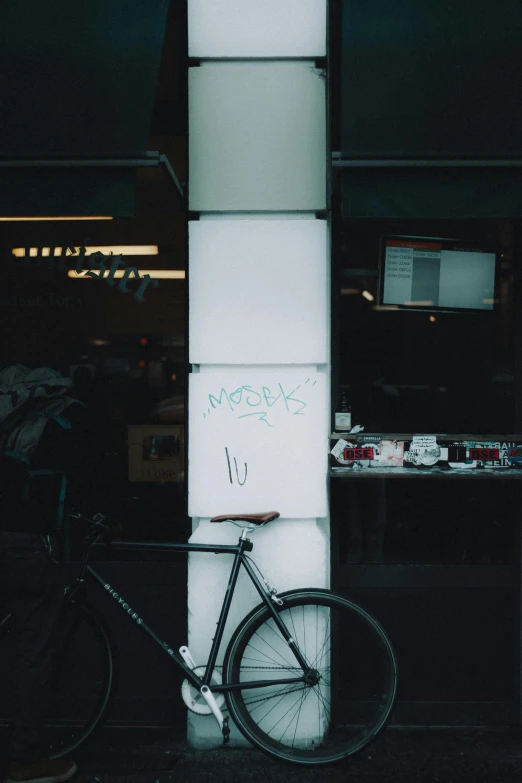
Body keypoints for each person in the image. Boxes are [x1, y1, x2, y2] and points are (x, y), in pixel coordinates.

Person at [0, 364, 92, 783]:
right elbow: (84, 480)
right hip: (28, 546)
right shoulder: (62, 421)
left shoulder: (9, 420)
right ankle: (25, 759)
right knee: (33, 649)